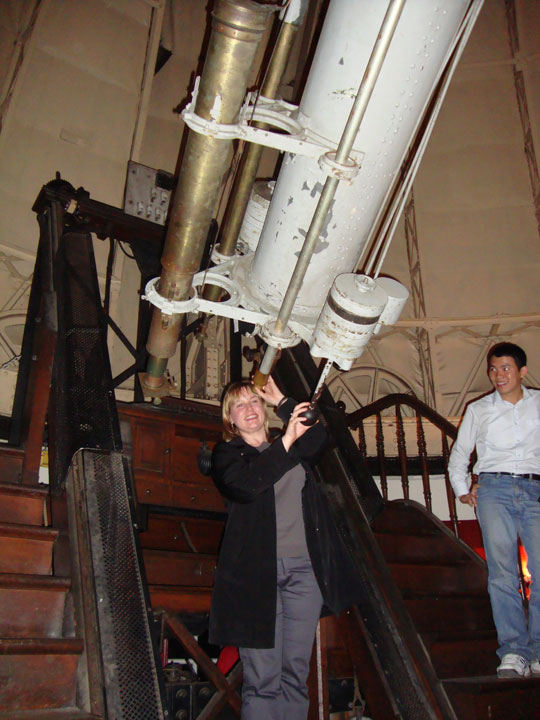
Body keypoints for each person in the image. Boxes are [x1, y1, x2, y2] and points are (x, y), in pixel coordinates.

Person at [209, 376, 361, 720]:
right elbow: (248, 485)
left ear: (263, 411)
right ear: (230, 419)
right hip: (255, 577)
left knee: (295, 672)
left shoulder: (291, 448)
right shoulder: (227, 455)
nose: (248, 409)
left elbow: (320, 435)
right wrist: (288, 438)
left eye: (253, 402)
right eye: (238, 405)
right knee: (263, 677)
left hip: (304, 571)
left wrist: (283, 401)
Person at [448, 342, 540, 678]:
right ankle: (514, 650)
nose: (498, 375)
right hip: (494, 489)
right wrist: (462, 490)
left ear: (522, 371)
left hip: (536, 489)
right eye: (493, 369)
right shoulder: (479, 409)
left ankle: (539, 650)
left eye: (505, 368)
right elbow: (459, 455)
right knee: (503, 574)